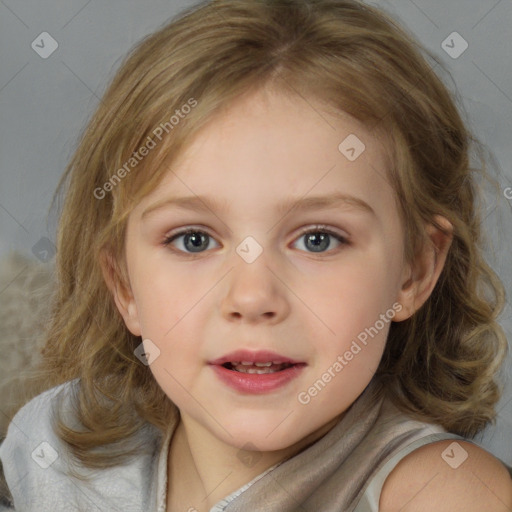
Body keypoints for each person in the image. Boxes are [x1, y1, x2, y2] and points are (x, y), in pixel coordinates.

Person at [1, 0, 511, 510]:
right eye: (193, 240)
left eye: (318, 239)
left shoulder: (444, 492)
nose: (252, 297)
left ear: (414, 271)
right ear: (124, 285)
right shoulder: (59, 451)